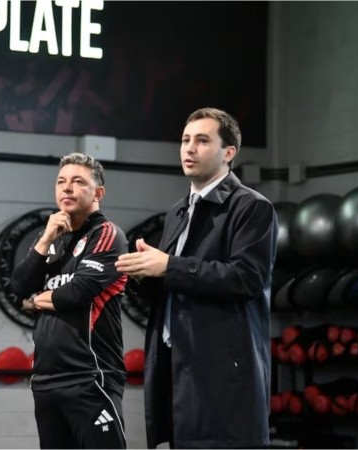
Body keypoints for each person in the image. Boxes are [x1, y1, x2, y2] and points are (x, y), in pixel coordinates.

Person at [116, 107, 277, 448]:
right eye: (186, 140)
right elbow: (175, 285)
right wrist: (145, 272)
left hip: (221, 373)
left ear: (228, 152)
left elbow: (245, 279)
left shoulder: (251, 206)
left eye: (203, 141)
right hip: (177, 366)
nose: (189, 148)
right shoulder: (178, 210)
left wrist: (168, 266)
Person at [11, 152, 129, 449]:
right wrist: (44, 239)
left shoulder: (107, 234)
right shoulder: (52, 240)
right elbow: (18, 287)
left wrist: (35, 300)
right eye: (61, 182)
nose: (67, 188)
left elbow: (76, 294)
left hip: (90, 378)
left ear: (98, 193)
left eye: (78, 182)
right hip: (46, 382)